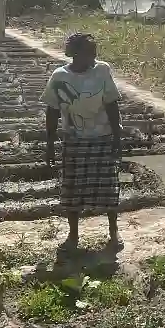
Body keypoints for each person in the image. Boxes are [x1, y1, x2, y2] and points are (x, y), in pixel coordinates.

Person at [44, 33, 123, 248]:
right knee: (72, 189)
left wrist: (117, 136)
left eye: (94, 54)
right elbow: (51, 113)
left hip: (101, 137)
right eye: (89, 54)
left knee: (108, 187)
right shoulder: (59, 77)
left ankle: (113, 231)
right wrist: (50, 145)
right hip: (74, 139)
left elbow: (112, 104)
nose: (93, 58)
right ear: (75, 54)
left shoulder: (102, 70)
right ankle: (73, 235)